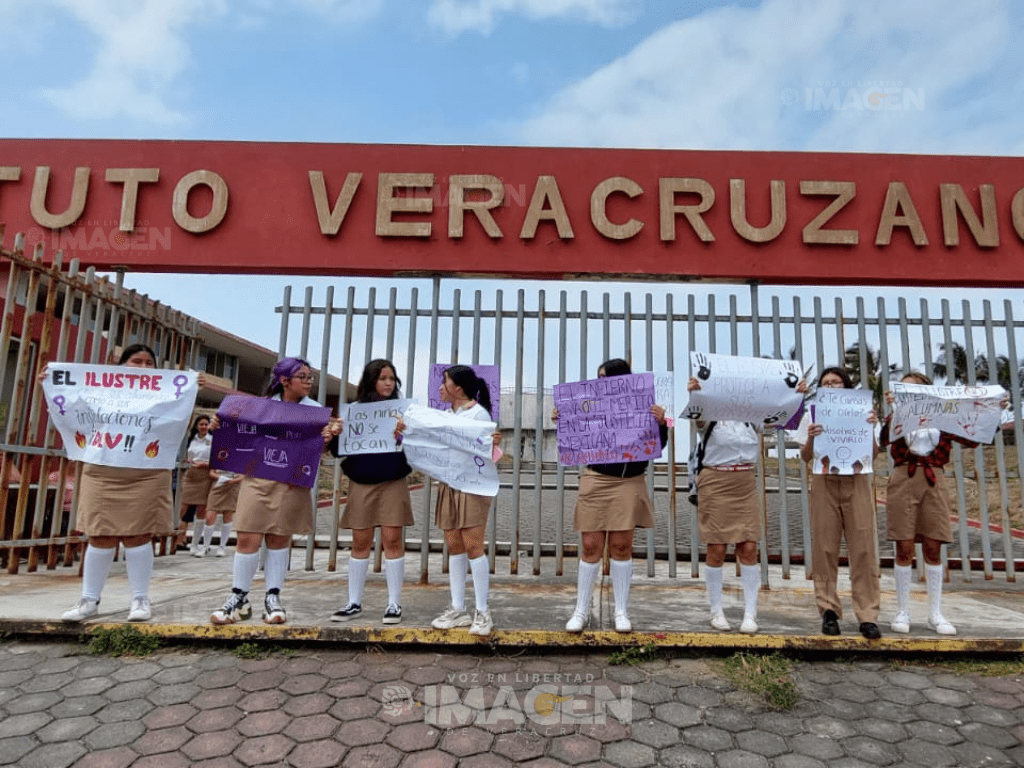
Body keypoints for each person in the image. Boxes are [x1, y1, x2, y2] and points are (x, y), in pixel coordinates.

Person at [55, 344, 183, 622]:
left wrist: (194, 386)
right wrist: (53, 382)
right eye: (136, 361)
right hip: (103, 470)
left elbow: (176, 420)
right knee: (100, 535)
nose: (143, 367)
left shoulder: (165, 393)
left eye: (150, 363)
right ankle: (89, 600)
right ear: (120, 364)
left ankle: (140, 599)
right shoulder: (99, 389)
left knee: (139, 535)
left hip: (146, 472)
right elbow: (73, 410)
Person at [210, 357, 338, 626]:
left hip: (290, 481)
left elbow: (317, 451)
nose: (308, 382)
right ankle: (239, 597)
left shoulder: (315, 412)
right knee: (248, 538)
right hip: (256, 477)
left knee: (280, 538)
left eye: (310, 377)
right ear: (284, 380)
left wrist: (327, 438)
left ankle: (273, 597)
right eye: (302, 377)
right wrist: (217, 428)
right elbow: (237, 436)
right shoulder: (258, 408)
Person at [554, 359, 668, 633]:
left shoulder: (647, 406)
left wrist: (662, 423)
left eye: (605, 377)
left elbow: (658, 443)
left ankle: (621, 612)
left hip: (629, 481)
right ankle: (581, 610)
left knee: (621, 547)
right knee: (591, 545)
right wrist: (562, 419)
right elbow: (576, 438)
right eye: (598, 377)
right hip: (596, 478)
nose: (600, 383)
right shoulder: (590, 404)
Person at [688, 373, 806, 634]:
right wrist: (695, 393)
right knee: (717, 547)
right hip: (716, 481)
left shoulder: (751, 417)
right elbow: (697, 417)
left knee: (749, 546)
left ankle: (750, 613)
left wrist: (797, 396)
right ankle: (716, 610)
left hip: (743, 482)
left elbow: (784, 420)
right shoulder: (710, 415)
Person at [881, 371, 979, 636]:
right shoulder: (898, 412)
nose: (910, 393)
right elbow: (883, 440)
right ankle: (903, 611)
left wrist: (992, 412)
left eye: (916, 389)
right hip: (904, 475)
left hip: (933, 476)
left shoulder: (943, 415)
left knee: (934, 544)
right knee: (903, 544)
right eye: (905, 389)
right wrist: (894, 411)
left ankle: (935, 613)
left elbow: (971, 438)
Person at [795, 367, 882, 640]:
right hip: (824, 481)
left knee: (864, 548)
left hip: (856, 480)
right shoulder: (811, 413)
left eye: (836, 382)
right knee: (824, 548)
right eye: (826, 383)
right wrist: (811, 435)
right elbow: (805, 457)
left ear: (846, 385)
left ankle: (867, 615)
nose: (831, 386)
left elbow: (875, 453)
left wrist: (870, 428)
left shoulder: (864, 412)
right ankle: (828, 610)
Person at [330, 359, 413, 625]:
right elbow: (337, 451)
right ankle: (354, 602)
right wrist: (336, 433)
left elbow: (415, 449)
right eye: (383, 378)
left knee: (392, 540)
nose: (388, 383)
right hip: (362, 481)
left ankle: (394, 603)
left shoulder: (403, 413)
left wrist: (404, 435)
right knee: (360, 541)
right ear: (371, 381)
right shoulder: (353, 411)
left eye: (392, 379)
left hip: (393, 481)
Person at [430, 365, 501, 637]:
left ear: (457, 387)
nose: (440, 387)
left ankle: (482, 611)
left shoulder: (478, 413)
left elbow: (484, 451)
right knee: (455, 545)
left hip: (472, 486)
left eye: (444, 382)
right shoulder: (447, 415)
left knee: (473, 546)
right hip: (449, 484)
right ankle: (458, 608)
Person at [181, 414, 215, 556]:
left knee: (202, 510)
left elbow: (218, 460)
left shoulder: (213, 440)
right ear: (196, 426)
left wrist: (205, 464)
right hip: (190, 475)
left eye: (206, 424)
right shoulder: (190, 440)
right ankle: (179, 539)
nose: (203, 427)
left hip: (205, 475)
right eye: (201, 424)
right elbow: (184, 456)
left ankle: (195, 544)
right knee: (183, 508)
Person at [205, 468, 243, 557]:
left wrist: (233, 480)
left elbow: (243, 475)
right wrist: (221, 477)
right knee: (210, 517)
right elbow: (211, 472)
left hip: (232, 487)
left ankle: (222, 547)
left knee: (228, 516)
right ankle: (205, 546)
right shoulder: (219, 454)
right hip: (218, 485)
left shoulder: (241, 455)